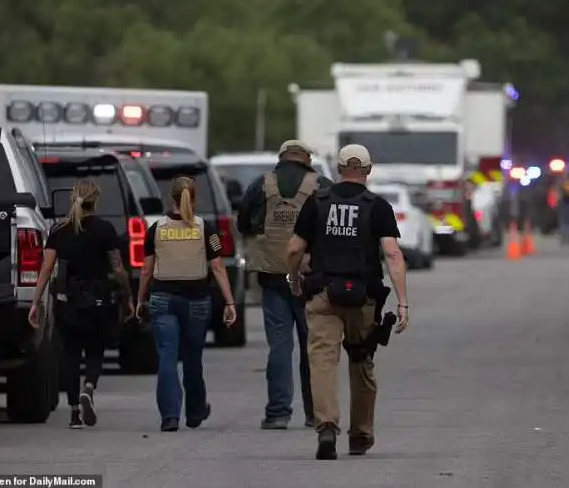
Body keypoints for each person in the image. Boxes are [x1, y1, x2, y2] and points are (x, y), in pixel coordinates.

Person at [286, 144, 409, 460]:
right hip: (363, 297)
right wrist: (403, 302)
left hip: (323, 293)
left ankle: (326, 425)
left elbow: (293, 249)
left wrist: (294, 278)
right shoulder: (377, 206)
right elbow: (393, 254)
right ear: (368, 170)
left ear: (338, 169)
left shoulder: (318, 202)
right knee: (361, 361)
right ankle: (360, 434)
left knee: (322, 362)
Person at [237, 140, 333, 430]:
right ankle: (314, 412)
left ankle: (278, 412)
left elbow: (243, 224)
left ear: (281, 159)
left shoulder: (260, 185)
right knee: (312, 347)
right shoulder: (323, 185)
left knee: (279, 346)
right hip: (311, 278)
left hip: (273, 276)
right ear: (306, 159)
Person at [28, 179, 133, 429]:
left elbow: (45, 270)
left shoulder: (59, 231)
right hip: (99, 300)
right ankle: (89, 387)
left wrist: (35, 303)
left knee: (71, 354)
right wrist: (128, 295)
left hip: (68, 302)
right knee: (95, 350)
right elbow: (118, 270)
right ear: (95, 201)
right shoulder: (105, 230)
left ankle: (74, 412)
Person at [136, 176, 237, 432]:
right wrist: (229, 301)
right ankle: (195, 411)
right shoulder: (207, 229)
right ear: (195, 198)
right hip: (197, 300)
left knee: (167, 357)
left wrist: (140, 299)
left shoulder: (155, 229)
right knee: (193, 357)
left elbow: (146, 271)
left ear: (171, 198)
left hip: (162, 299)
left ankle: (170, 416)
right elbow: (217, 266)